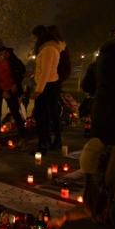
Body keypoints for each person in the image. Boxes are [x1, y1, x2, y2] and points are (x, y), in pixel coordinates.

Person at [0, 38, 26, 146]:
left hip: (12, 88)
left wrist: (16, 83)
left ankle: (23, 137)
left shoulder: (11, 56)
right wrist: (0, 91)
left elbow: (21, 69)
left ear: (4, 51)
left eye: (0, 54)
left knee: (16, 113)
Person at [31, 25, 66, 154]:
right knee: (49, 114)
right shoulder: (49, 48)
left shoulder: (49, 49)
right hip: (49, 85)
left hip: (47, 86)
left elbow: (46, 71)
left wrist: (38, 90)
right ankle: (52, 141)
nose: (33, 40)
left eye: (34, 38)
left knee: (42, 116)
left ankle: (44, 143)